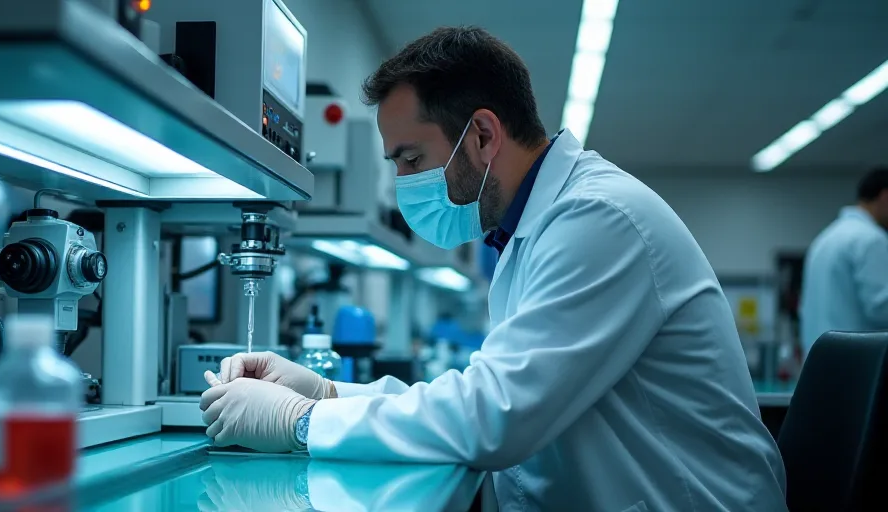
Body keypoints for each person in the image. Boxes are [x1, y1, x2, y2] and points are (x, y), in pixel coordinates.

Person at [199, 27, 787, 510]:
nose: (404, 184)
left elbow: (494, 417)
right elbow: (488, 397)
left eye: (412, 158)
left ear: (482, 134)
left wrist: (305, 421)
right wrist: (328, 389)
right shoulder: (535, 228)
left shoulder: (598, 220)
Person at [799, 167, 888, 355]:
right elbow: (881, 308)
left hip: (820, 362)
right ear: (884, 196)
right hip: (857, 364)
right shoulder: (872, 240)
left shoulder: (826, 238)